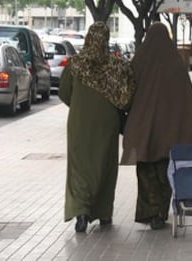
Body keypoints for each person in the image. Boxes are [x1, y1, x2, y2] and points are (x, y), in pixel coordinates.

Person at [121, 22, 192, 230]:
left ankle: (150, 213)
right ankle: (161, 212)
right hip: (170, 130)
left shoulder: (140, 60)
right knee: (165, 171)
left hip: (145, 130)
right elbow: (185, 96)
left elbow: (128, 91)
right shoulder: (175, 62)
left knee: (146, 171)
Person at [58, 21, 135, 233]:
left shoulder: (75, 64)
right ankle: (103, 213)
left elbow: (63, 93)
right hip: (107, 124)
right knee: (104, 167)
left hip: (79, 124)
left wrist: (81, 105)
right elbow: (127, 99)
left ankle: (81, 211)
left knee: (79, 169)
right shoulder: (117, 67)